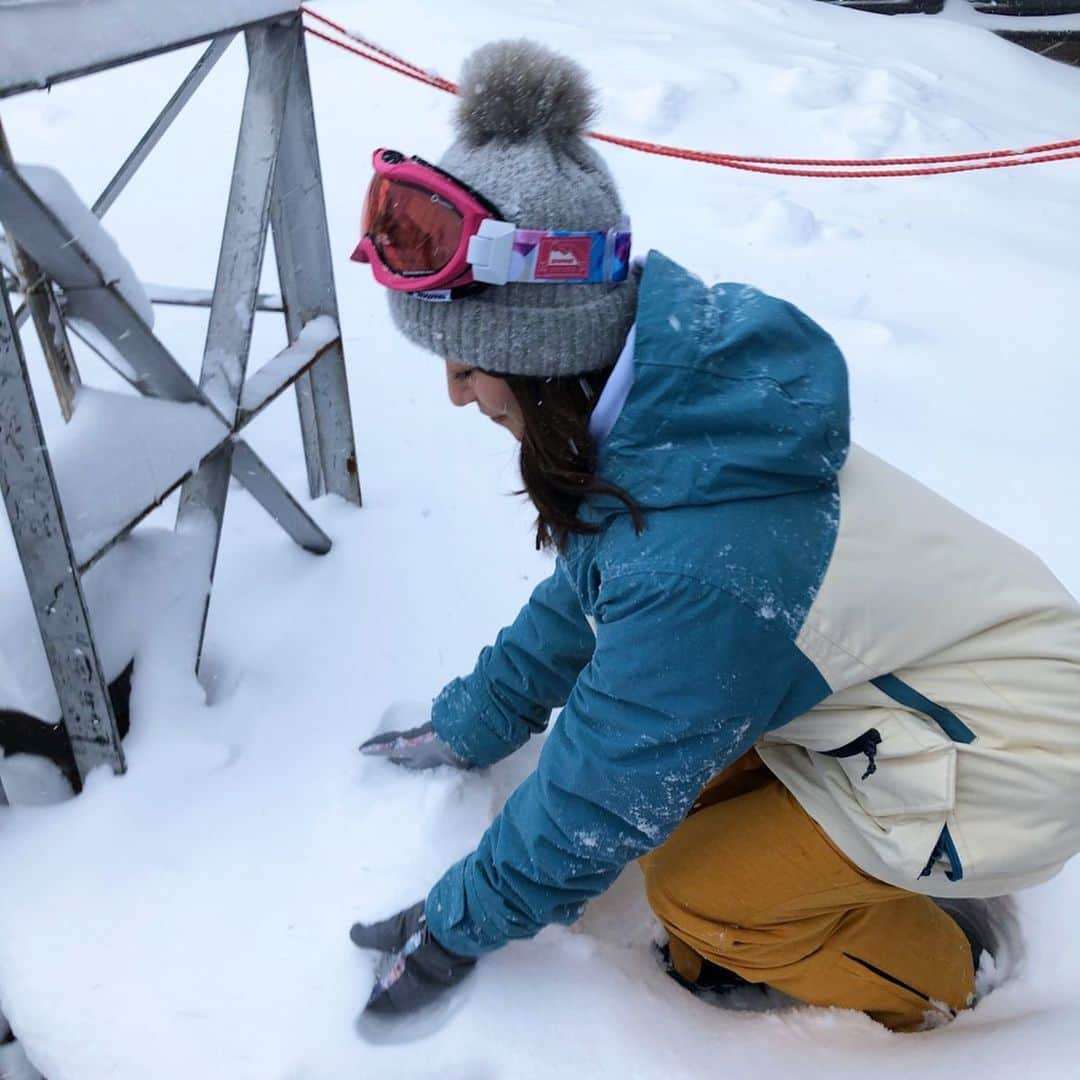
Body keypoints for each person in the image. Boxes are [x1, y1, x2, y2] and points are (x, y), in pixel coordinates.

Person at [348, 39, 1080, 1032]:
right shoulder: (663, 404)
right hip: (942, 687)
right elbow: (589, 595)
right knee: (682, 793)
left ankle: (952, 967)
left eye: (472, 364)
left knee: (698, 891)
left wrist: (456, 927)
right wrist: (477, 718)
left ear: (542, 351)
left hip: (1010, 761)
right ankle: (827, 884)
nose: (455, 392)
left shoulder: (702, 559)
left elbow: (597, 798)